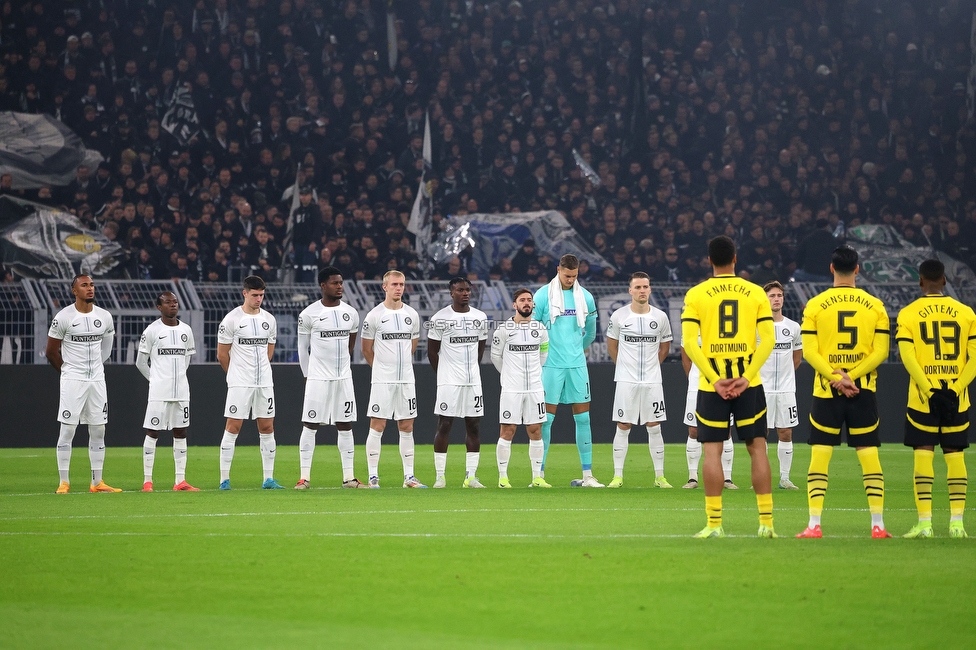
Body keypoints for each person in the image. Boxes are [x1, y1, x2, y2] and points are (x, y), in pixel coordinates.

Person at [681, 236, 776, 538]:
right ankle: (766, 524)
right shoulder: (755, 292)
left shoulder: (696, 294)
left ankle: (713, 524)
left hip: (712, 386)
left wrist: (712, 377)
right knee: (757, 448)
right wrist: (746, 376)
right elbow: (769, 340)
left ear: (709, 260)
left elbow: (688, 343)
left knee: (712, 451)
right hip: (749, 384)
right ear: (735, 258)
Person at [797, 246, 891, 538]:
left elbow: (810, 352)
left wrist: (835, 377)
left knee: (820, 456)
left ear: (831, 268)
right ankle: (878, 525)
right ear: (858, 269)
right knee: (869, 455)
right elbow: (882, 352)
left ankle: (814, 524)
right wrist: (852, 377)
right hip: (862, 391)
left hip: (827, 391)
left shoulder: (815, 304)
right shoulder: (875, 305)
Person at [895, 259, 976, 539]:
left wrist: (930, 391)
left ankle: (925, 524)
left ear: (920, 281)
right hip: (957, 397)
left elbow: (907, 357)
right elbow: (974, 358)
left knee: (923, 454)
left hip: (922, 398)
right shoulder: (966, 313)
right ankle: (957, 524)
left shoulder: (908, 313)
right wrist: (954, 389)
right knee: (955, 455)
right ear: (944, 281)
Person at [295, 266, 368, 489]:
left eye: (341, 282)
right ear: (323, 285)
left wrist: (343, 369)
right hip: (318, 378)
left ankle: (349, 478)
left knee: (345, 424)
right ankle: (304, 478)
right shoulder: (309, 314)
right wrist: (308, 375)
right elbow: (302, 348)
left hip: (343, 379)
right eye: (335, 283)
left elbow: (350, 344)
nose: (340, 287)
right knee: (310, 424)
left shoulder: (351, 313)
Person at [46, 274, 120, 494]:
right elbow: (51, 352)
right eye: (84, 285)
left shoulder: (105, 316)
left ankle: (97, 482)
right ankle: (64, 482)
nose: (90, 288)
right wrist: (68, 372)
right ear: (74, 291)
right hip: (73, 380)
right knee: (68, 429)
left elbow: (106, 349)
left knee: (99, 429)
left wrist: (95, 369)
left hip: (97, 380)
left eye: (92, 285)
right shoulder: (63, 317)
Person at [532, 254, 602, 487]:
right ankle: (539, 476)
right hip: (550, 366)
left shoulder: (586, 298)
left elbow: (591, 333)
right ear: (558, 270)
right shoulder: (542, 295)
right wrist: (546, 355)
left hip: (576, 366)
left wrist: (575, 352)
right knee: (546, 421)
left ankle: (587, 475)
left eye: (574, 276)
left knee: (583, 418)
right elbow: (534, 330)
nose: (571, 280)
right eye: (567, 275)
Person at [605, 272, 673, 488]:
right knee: (623, 425)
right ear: (630, 291)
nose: (642, 290)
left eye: (645, 286)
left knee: (654, 426)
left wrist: (653, 367)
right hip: (626, 380)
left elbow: (665, 347)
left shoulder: (660, 317)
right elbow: (612, 345)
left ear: (650, 289)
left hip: (652, 381)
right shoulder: (619, 316)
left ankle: (660, 477)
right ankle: (617, 476)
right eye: (638, 287)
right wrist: (623, 366)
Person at [216, 275, 282, 490]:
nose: (259, 299)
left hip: (264, 382)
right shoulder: (231, 320)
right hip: (240, 382)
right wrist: (234, 374)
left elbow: (269, 352)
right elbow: (222, 354)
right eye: (254, 295)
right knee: (233, 427)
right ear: (245, 293)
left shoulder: (269, 320)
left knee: (267, 426)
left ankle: (268, 479)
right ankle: (224, 479)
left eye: (261, 295)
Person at [361, 270, 425, 488]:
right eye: (395, 284)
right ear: (385, 287)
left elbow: (412, 346)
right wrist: (381, 370)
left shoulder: (412, 315)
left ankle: (409, 477)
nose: (399, 288)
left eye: (402, 284)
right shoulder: (374, 316)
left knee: (407, 425)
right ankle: (372, 476)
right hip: (383, 380)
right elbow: (366, 350)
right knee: (378, 424)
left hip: (406, 379)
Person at [428, 277, 489, 488]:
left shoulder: (480, 317)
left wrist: (471, 369)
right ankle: (440, 476)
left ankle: (470, 477)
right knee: (444, 424)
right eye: (460, 290)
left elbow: (480, 348)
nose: (465, 293)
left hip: (472, 381)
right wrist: (444, 374)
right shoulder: (440, 318)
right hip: (449, 382)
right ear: (451, 292)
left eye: (468, 290)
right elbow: (432, 351)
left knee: (473, 426)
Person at [135, 291, 198, 492]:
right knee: (153, 432)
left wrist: (177, 378)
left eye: (175, 302)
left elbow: (186, 359)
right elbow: (140, 362)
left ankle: (180, 481)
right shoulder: (152, 330)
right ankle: (147, 481)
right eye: (167, 302)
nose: (173, 305)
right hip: (159, 393)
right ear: (159, 307)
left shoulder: (186, 330)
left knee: (181, 432)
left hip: (181, 391)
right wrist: (155, 380)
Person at [491, 288, 551, 488]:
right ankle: (502, 477)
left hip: (535, 388)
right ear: (514, 305)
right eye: (522, 300)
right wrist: (509, 376)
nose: (526, 303)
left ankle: (536, 478)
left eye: (529, 300)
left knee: (535, 430)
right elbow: (495, 357)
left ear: (533, 305)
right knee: (508, 430)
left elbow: (543, 355)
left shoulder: (541, 329)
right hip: (511, 389)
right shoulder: (504, 329)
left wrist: (534, 376)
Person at [760, 281, 804, 490]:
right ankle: (762, 477)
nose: (776, 299)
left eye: (779, 295)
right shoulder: (756, 328)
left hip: (786, 389)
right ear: (764, 299)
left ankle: (785, 478)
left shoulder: (793, 327)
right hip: (762, 389)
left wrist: (786, 378)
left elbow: (797, 357)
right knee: (761, 433)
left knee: (785, 432)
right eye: (772, 296)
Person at [681, 341, 737, 490]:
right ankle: (692, 477)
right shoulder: (693, 324)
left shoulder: (723, 326)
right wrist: (693, 377)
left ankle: (727, 478)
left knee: (726, 430)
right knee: (694, 430)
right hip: (696, 385)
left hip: (723, 383)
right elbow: (685, 355)